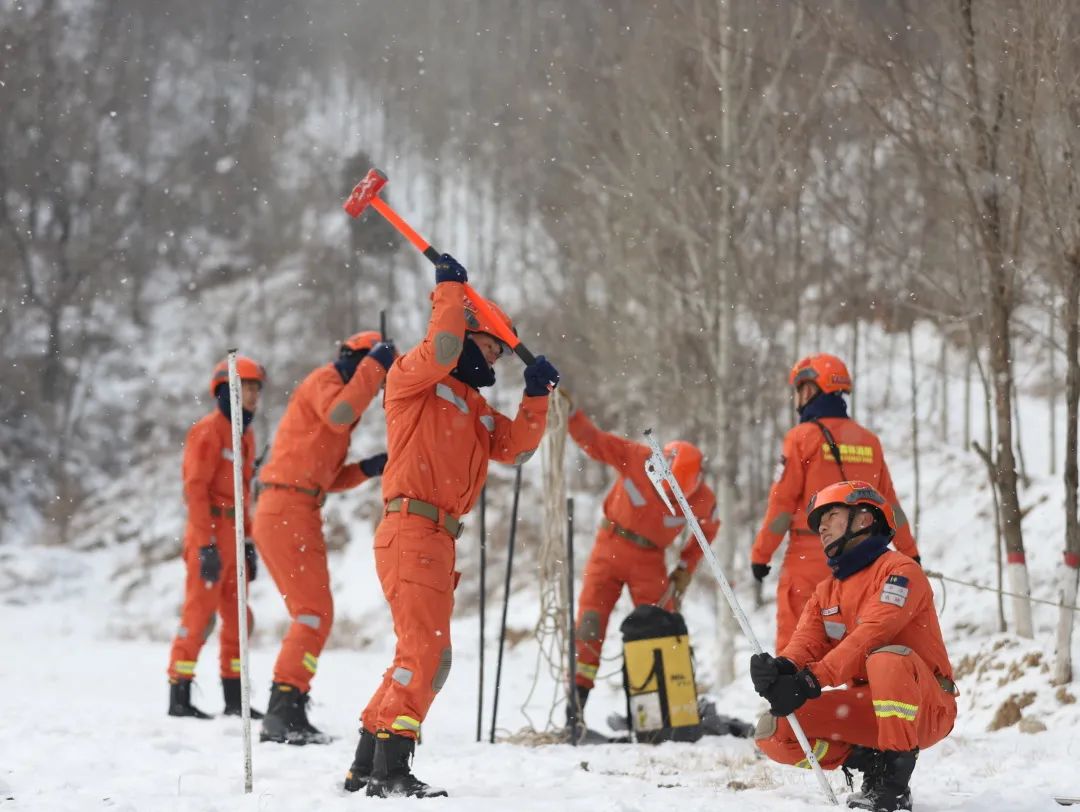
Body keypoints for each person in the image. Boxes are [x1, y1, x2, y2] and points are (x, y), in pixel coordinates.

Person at [343, 253, 559, 798]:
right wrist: (450, 292)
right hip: (411, 531)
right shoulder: (415, 377)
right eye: (489, 347)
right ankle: (390, 772)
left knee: (413, 651)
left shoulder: (475, 407)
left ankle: (367, 762)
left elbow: (519, 449)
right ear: (464, 334)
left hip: (436, 540)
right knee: (429, 655)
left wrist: (537, 396)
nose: (493, 360)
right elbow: (440, 348)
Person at [750, 481, 956, 812]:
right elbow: (805, 644)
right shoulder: (825, 591)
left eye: (831, 515)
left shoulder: (900, 572)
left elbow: (871, 634)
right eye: (819, 524)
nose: (823, 528)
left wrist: (811, 680)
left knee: (887, 659)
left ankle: (893, 785)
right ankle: (869, 762)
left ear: (863, 519)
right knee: (773, 732)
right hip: (870, 709)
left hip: (926, 708)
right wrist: (781, 669)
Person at [254, 331, 395, 744]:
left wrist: (369, 468)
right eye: (371, 371)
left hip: (296, 506)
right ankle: (283, 709)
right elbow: (340, 411)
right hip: (286, 509)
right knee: (313, 613)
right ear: (355, 359)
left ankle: (290, 704)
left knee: (314, 613)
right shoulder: (325, 382)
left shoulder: (338, 407)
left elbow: (327, 478)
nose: (373, 385)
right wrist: (376, 364)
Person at [563, 401, 719, 728]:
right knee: (589, 625)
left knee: (661, 629)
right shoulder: (638, 458)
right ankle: (574, 712)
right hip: (609, 547)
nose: (669, 499)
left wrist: (685, 568)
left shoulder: (702, 497)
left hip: (651, 561)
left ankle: (658, 714)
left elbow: (709, 528)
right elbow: (593, 440)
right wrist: (569, 413)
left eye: (676, 497)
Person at [751, 353, 921, 650]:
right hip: (865, 561)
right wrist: (910, 553)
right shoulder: (868, 441)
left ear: (810, 389)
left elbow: (781, 508)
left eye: (799, 390)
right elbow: (891, 507)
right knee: (863, 650)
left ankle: (805, 698)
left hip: (811, 557)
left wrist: (761, 555)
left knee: (798, 652)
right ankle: (860, 698)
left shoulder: (800, 438)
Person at [167, 355, 266, 719]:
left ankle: (234, 698)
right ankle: (179, 696)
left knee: (239, 618)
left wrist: (249, 543)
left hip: (236, 535)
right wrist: (207, 542)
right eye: (247, 389)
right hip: (208, 533)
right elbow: (195, 489)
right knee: (199, 615)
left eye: (257, 390)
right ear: (226, 391)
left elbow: (245, 492)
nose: (253, 397)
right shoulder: (208, 431)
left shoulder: (246, 435)